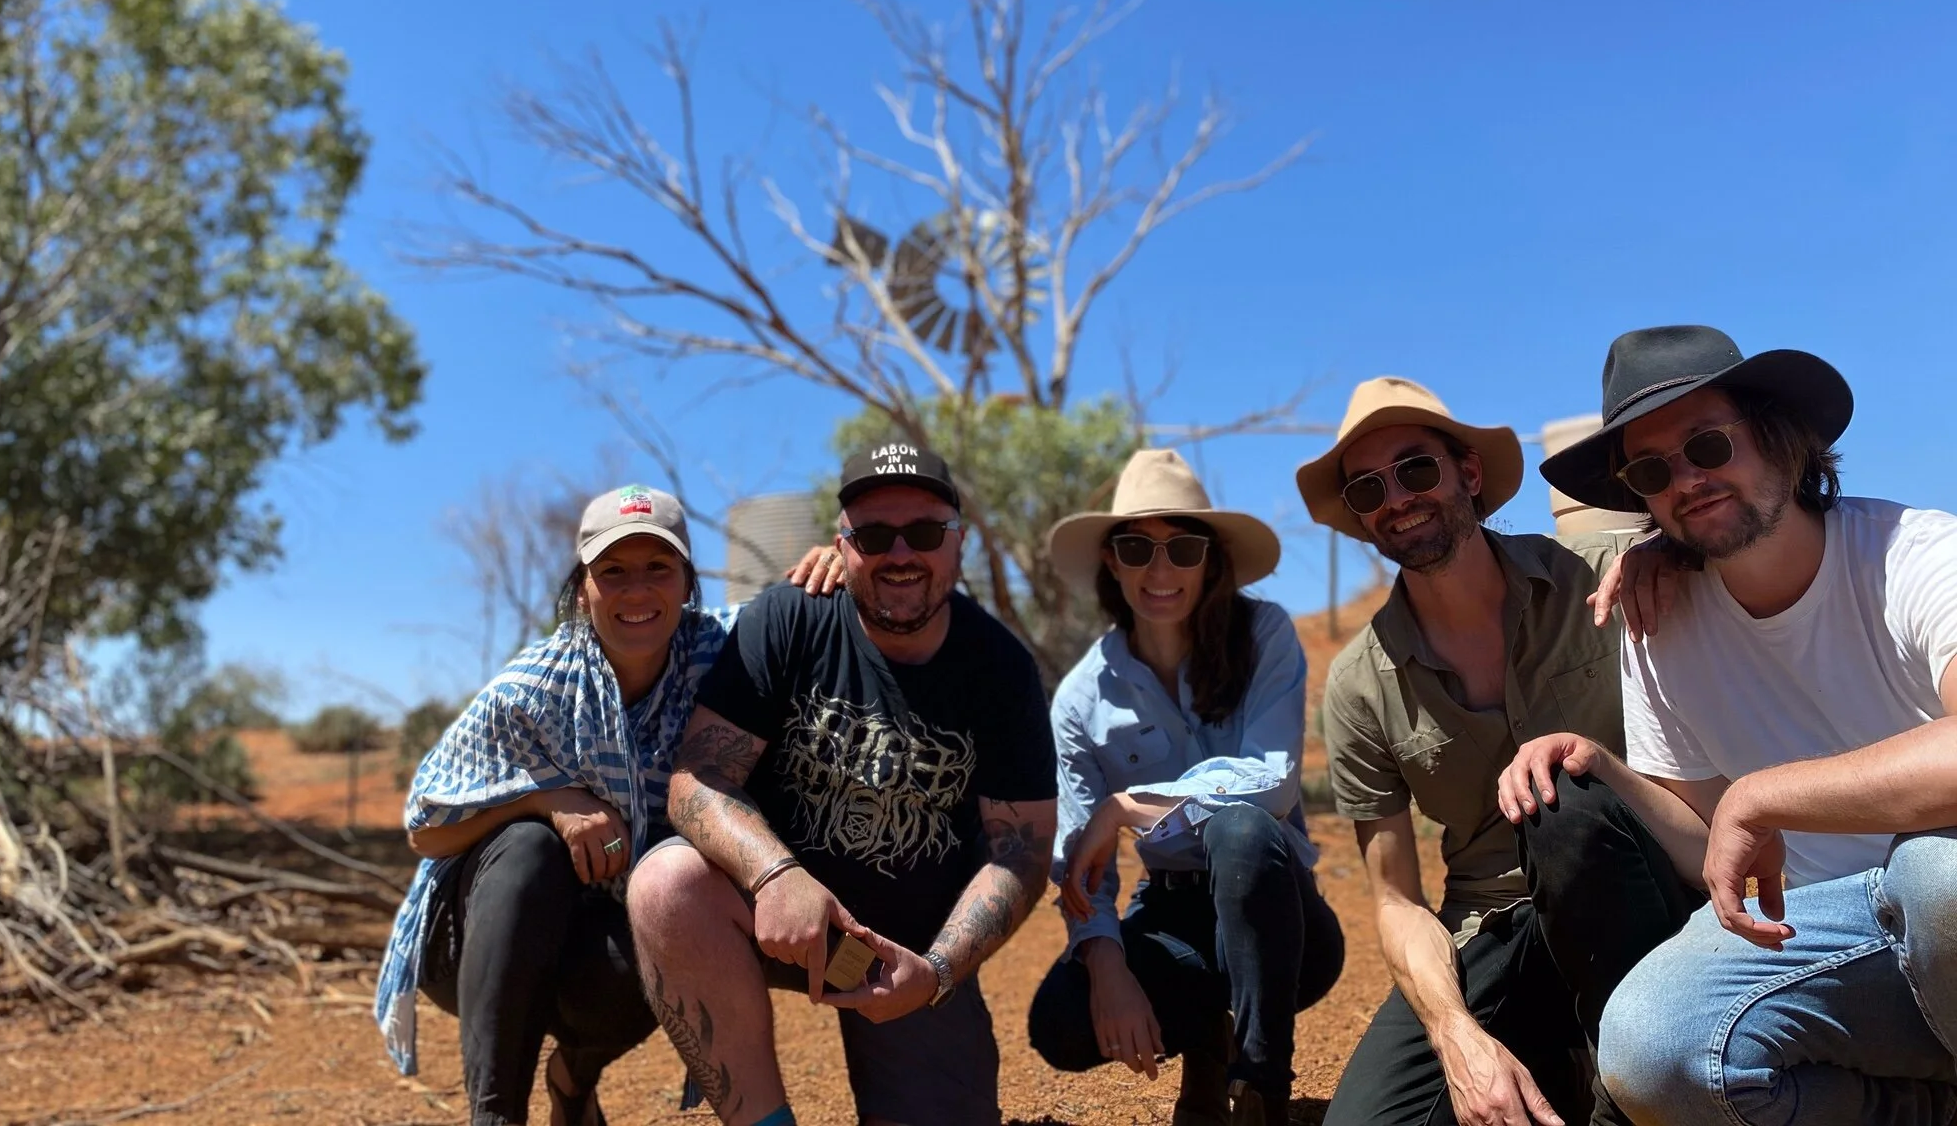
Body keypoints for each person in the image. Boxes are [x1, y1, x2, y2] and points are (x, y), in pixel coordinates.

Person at [1499, 325, 1957, 1125]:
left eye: (1708, 444)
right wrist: (1602, 765)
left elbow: (1748, 807)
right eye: (1653, 469)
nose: (1687, 480)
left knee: (1936, 875)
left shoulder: (1914, 553)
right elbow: (1707, 835)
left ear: (1783, 442)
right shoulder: (1660, 623)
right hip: (1825, 935)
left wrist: (1766, 795)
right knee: (1649, 1050)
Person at [623, 444, 1059, 1126]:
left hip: (905, 950)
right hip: (772, 914)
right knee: (667, 884)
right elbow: (698, 778)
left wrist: (939, 970)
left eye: (924, 533)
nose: (900, 554)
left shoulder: (1000, 668)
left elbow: (1021, 853)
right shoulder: (790, 617)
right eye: (874, 536)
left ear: (960, 544)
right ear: (842, 546)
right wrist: (775, 875)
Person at [1307, 377, 1646, 1126]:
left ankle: (1621, 1074)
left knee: (1573, 798)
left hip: (1642, 904)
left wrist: (1673, 556)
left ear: (1468, 474)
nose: (1396, 497)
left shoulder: (1607, 578)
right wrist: (1456, 1035)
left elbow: (1746, 558)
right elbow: (1396, 900)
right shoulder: (1362, 685)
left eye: (1416, 469)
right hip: (1494, 924)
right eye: (1367, 489)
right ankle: (1548, 1049)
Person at [373, 485, 731, 1126]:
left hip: (600, 936)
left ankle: (573, 1079)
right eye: (613, 572)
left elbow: (800, 620)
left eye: (658, 568)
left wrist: (832, 560)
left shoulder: (716, 655)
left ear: (686, 582)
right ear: (582, 587)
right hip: (473, 944)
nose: (637, 591)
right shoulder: (528, 694)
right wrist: (548, 801)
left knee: (674, 904)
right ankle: (496, 1114)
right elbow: (425, 831)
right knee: (528, 845)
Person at [1021, 448, 1344, 1126]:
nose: (1159, 571)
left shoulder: (1266, 636)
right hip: (1172, 915)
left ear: (1212, 558)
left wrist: (1136, 804)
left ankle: (1261, 1089)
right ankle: (1207, 1048)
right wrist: (1108, 971)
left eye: (1183, 548)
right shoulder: (1082, 699)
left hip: (1281, 918)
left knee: (1242, 830)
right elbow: (1082, 867)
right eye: (1137, 548)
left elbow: (1277, 785)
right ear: (1112, 560)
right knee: (1059, 1022)